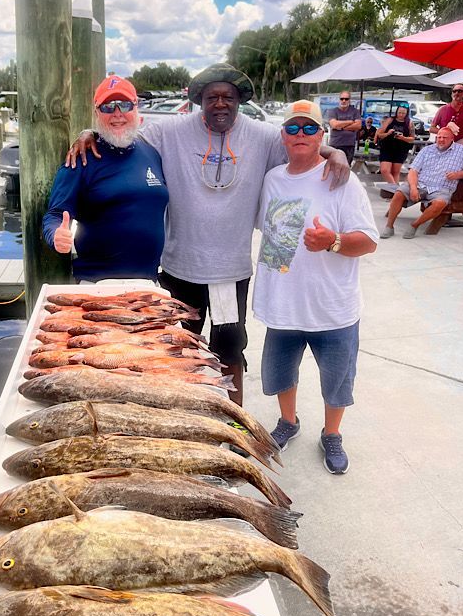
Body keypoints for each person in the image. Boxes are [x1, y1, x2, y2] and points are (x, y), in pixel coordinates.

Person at [66, 63, 350, 405]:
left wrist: (334, 151)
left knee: (230, 351)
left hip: (229, 274)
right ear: (199, 100)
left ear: (239, 100)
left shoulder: (261, 136)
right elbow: (121, 132)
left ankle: (235, 421)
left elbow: (300, 143)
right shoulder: (170, 131)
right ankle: (185, 417)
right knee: (175, 352)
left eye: (228, 97)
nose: (220, 104)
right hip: (179, 270)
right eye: (212, 97)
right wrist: (88, 133)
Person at [253, 100, 378, 474]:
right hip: (283, 303)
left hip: (332, 306)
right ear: (283, 135)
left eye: (309, 128)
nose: (301, 134)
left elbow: (369, 241)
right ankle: (288, 422)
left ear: (322, 135)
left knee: (337, 380)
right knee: (280, 373)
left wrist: (333, 241)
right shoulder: (272, 179)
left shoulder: (342, 179)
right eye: (293, 128)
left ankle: (332, 433)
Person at [43, 75, 167, 282]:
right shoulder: (80, 159)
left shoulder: (151, 152)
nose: (117, 113)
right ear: (97, 113)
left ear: (136, 108)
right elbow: (55, 214)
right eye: (108, 107)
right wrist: (55, 234)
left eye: (125, 105)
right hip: (97, 284)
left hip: (148, 283)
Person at [379, 127, 463, 239]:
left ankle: (415, 225)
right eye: (439, 137)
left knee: (440, 203)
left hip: (442, 187)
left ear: (452, 139)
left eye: (444, 137)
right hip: (420, 183)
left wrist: (459, 174)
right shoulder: (427, 150)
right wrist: (413, 188)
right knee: (399, 194)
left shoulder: (462, 151)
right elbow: (413, 171)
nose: (441, 140)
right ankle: (389, 226)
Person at [375, 105, 416, 184]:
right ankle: (395, 188)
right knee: (385, 170)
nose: (401, 115)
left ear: (406, 113)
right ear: (396, 112)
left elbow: (412, 138)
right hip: (387, 148)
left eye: (403, 113)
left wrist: (403, 138)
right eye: (399, 112)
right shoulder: (390, 120)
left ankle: (393, 189)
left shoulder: (409, 123)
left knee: (395, 172)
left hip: (401, 150)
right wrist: (388, 133)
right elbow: (379, 134)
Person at [327, 91, 362, 165]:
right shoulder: (333, 111)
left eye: (346, 99)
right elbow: (334, 125)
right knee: (333, 166)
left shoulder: (355, 111)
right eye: (342, 99)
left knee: (346, 167)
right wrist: (350, 122)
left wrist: (341, 127)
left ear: (349, 100)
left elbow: (358, 125)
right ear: (339, 99)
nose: (344, 101)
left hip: (349, 145)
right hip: (335, 144)